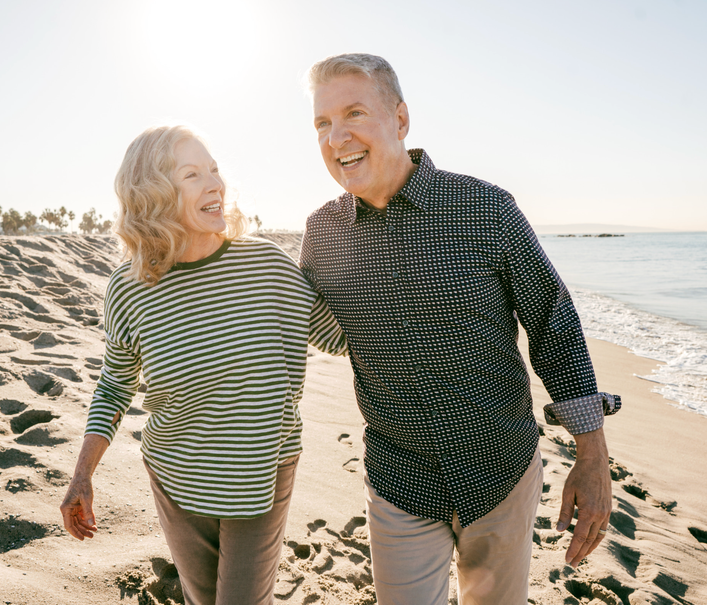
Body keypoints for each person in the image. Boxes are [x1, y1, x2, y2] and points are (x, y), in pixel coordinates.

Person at [299, 53, 622, 605]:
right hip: (399, 479)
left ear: (400, 120)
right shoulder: (322, 234)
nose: (336, 137)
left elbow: (553, 325)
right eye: (322, 123)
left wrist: (592, 458)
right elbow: (329, 332)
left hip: (502, 469)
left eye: (354, 113)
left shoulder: (485, 208)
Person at [59, 125, 346, 605]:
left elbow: (340, 338)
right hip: (176, 476)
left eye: (214, 170)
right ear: (152, 194)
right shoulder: (129, 289)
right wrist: (82, 474)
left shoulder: (267, 267)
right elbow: (114, 385)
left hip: (261, 472)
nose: (215, 184)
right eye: (192, 174)